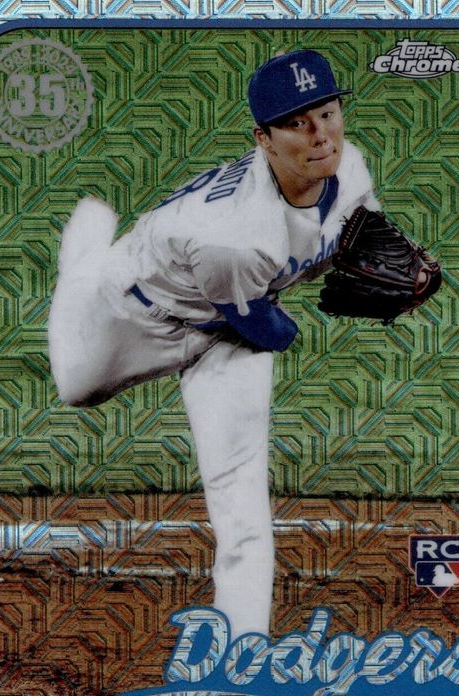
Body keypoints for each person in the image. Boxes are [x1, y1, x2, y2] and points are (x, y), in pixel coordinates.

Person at [48, 49, 380, 642]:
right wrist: (303, 318)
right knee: (75, 388)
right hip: (135, 316)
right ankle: (84, 257)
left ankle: (240, 656)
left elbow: (365, 233)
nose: (321, 135)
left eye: (328, 113)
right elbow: (266, 328)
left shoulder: (349, 169)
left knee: (239, 491)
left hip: (226, 332)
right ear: (263, 139)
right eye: (297, 123)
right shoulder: (236, 236)